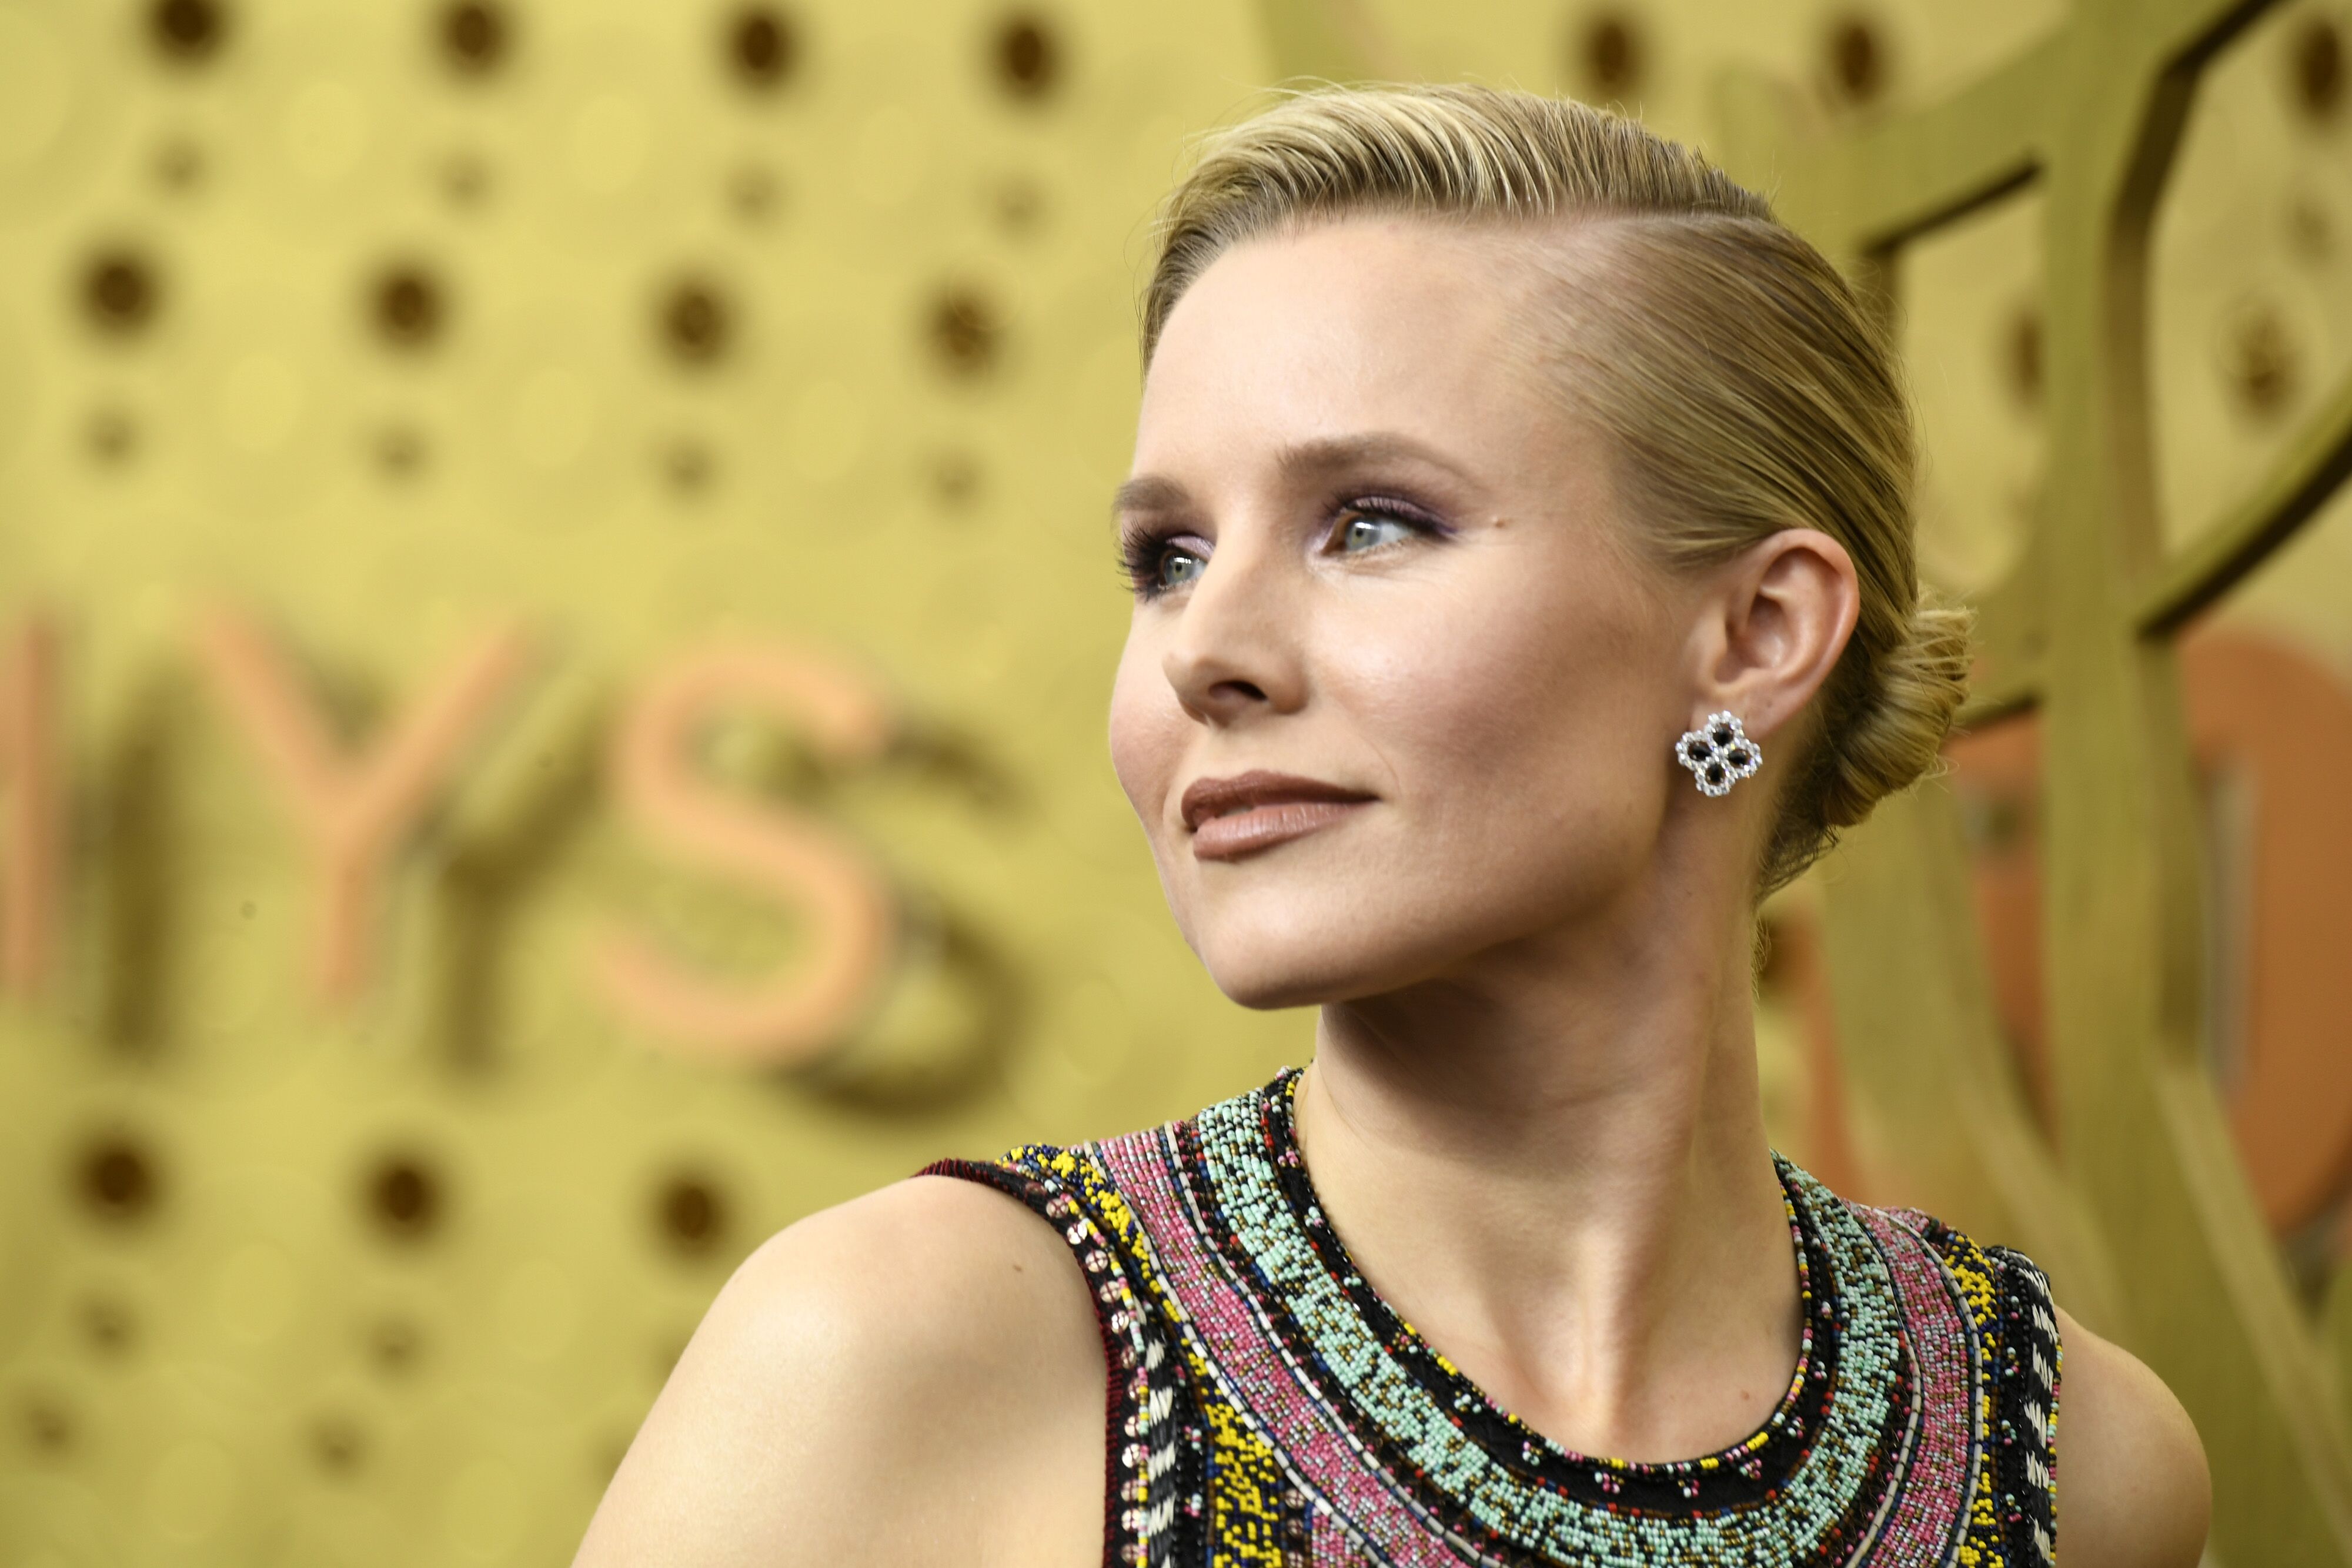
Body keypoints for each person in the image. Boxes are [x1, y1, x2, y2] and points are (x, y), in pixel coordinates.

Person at [572, 84, 2209, 1568]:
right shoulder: (911, 1353)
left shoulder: (2077, 1465)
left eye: (1371, 522)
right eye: (1167, 556)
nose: (1205, 646)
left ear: (1760, 634)